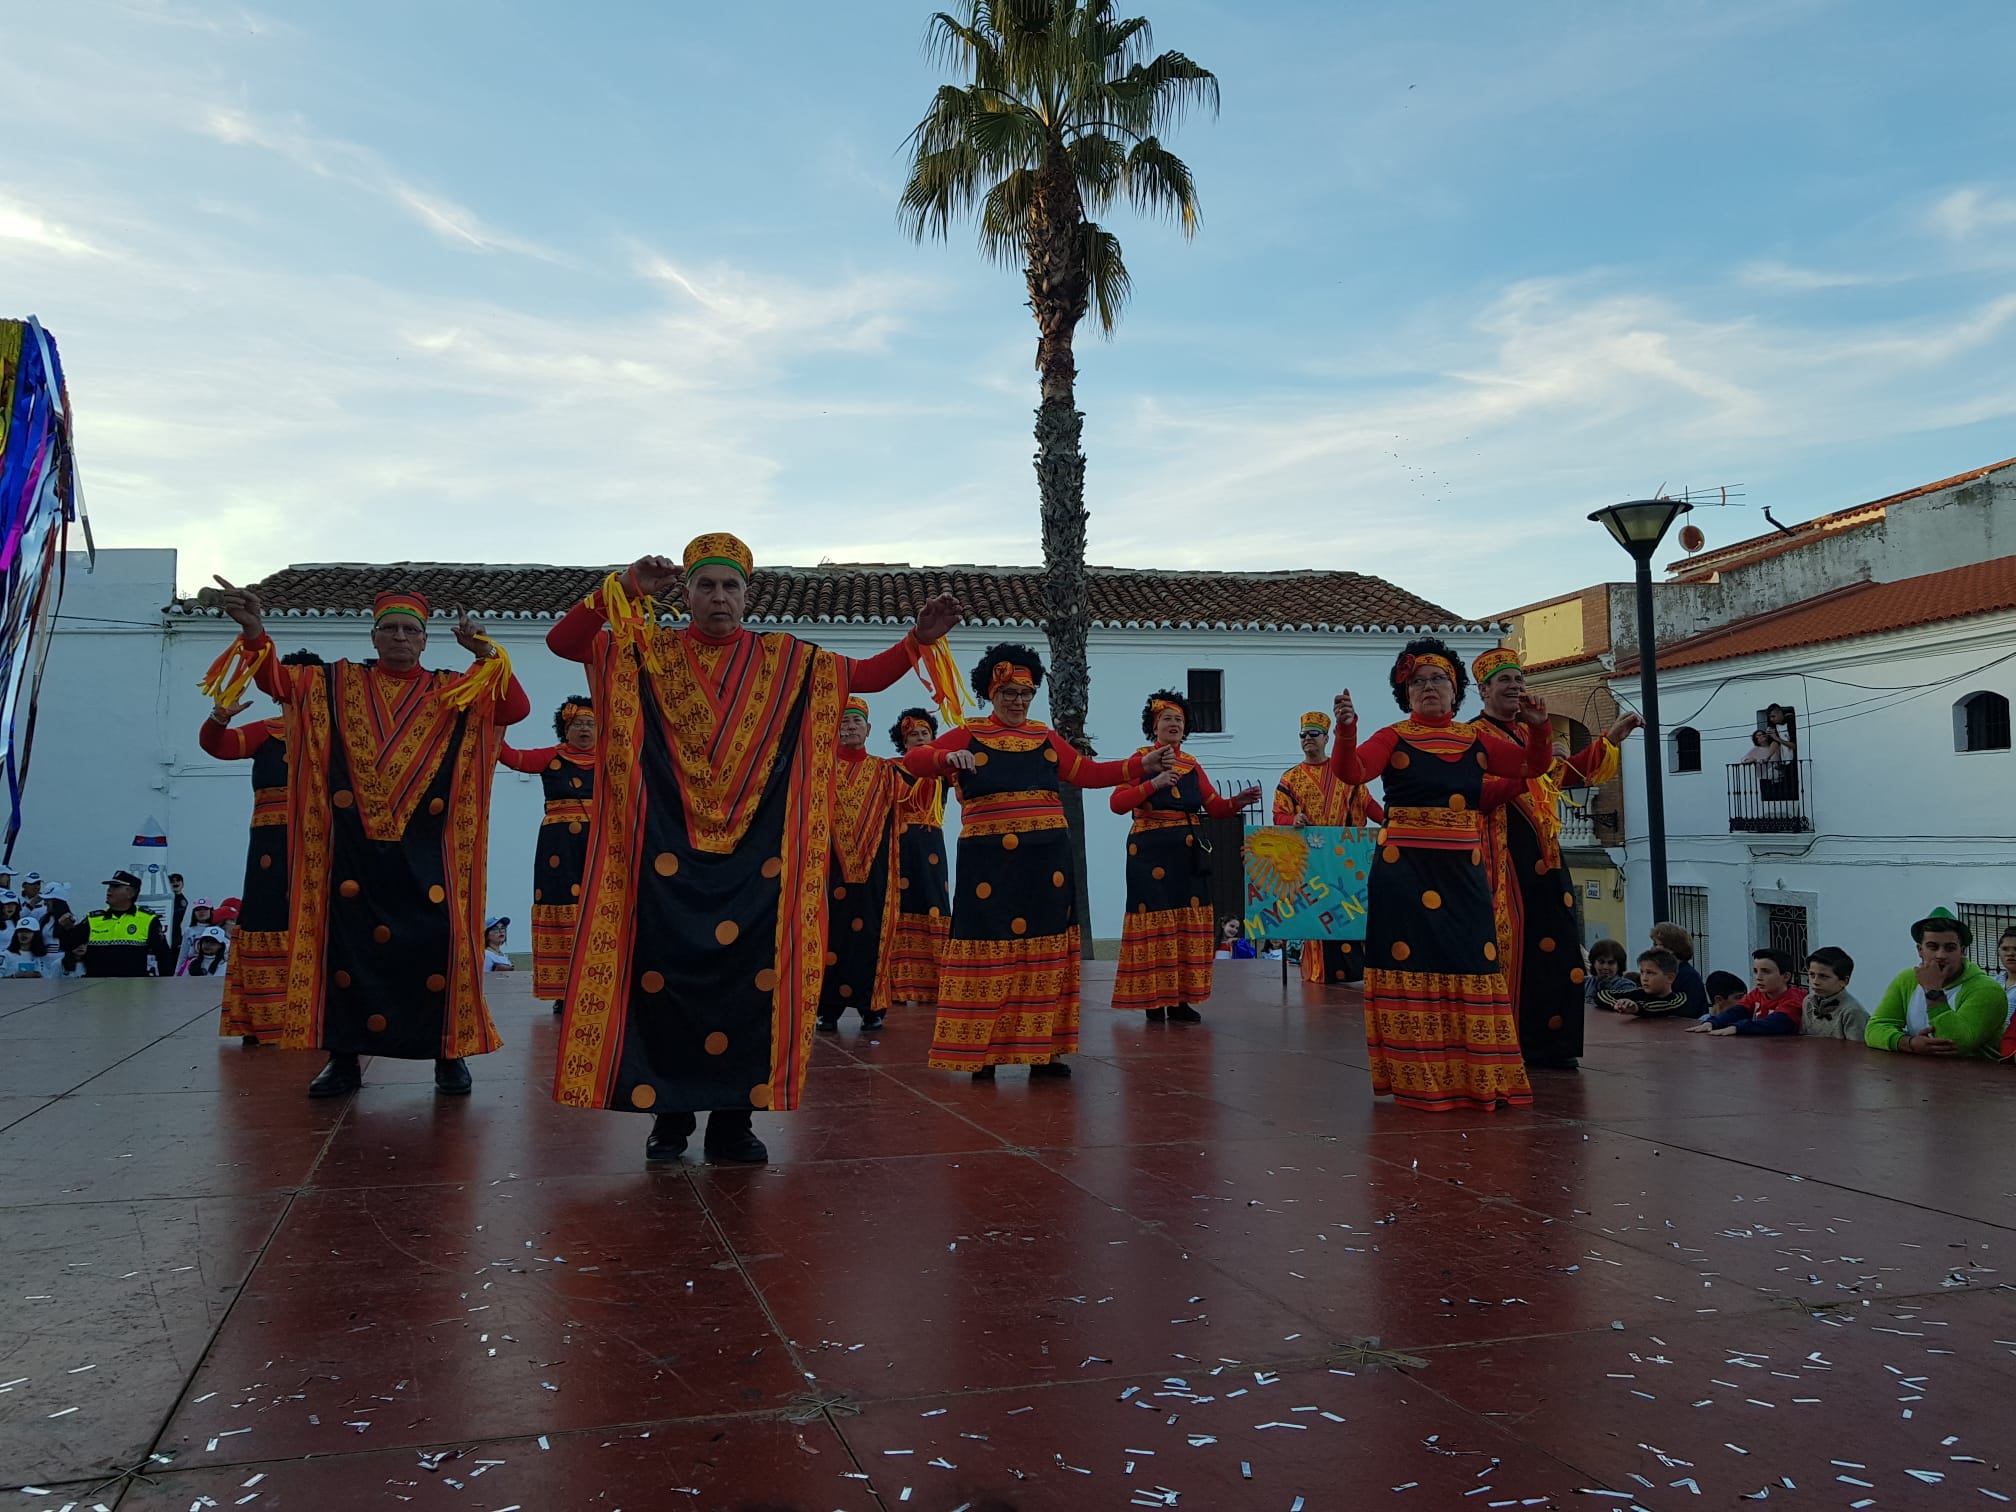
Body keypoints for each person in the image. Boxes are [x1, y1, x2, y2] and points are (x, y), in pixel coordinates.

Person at [546, 535, 962, 1163]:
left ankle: (734, 1124)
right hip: (663, 852)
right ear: (685, 594)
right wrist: (626, 587)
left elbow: (865, 677)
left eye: (731, 586)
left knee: (751, 987)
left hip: (760, 859)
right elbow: (566, 643)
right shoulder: (645, 651)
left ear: (747, 595)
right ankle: (670, 1118)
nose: (719, 597)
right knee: (666, 982)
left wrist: (918, 641)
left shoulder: (789, 660)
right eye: (706, 585)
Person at [212, 577, 530, 1098]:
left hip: (431, 848)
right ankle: (342, 1060)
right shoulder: (335, 682)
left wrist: (488, 653)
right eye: (390, 629)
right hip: (351, 848)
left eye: (410, 630)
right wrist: (253, 630)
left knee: (441, 945)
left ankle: (449, 1054)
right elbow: (277, 683)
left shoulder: (455, 686)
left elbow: (514, 710)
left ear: (425, 640)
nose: (401, 638)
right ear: (374, 637)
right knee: (347, 951)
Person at [903, 642, 1168, 1080]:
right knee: (988, 951)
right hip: (988, 866)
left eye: (1025, 693)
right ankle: (982, 1052)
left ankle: (1044, 1051)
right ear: (991, 693)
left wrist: (1141, 764)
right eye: (1008, 693)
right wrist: (944, 757)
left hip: (1047, 865)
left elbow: (1089, 773)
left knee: (1044, 952)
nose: (1018, 701)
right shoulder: (967, 734)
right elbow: (915, 761)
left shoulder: (1045, 738)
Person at [1329, 637, 1553, 1112]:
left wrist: (1539, 729)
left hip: (1462, 870)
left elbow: (1535, 765)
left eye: (1439, 680)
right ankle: (1420, 1078)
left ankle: (1475, 1077)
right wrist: (1346, 732)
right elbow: (1352, 773)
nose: (1429, 687)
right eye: (1418, 681)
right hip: (1402, 872)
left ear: (1456, 693)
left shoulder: (1476, 741)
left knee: (1472, 959)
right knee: (1409, 964)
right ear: (1406, 694)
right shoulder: (1392, 737)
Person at [1472, 648, 1642, 1070]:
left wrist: (1611, 739)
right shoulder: (1471, 737)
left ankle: (1551, 1043)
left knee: (1558, 948)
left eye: (1519, 680)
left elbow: (1561, 777)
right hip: (1502, 854)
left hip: (1546, 856)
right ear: (1484, 690)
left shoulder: (1533, 733)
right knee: (1510, 944)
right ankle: (1506, 1039)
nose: (1515, 687)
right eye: (1504, 681)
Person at [1109, 689, 1261, 1025]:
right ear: (1154, 725)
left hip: (1187, 851)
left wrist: (1239, 801)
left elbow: (1216, 808)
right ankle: (1153, 1000)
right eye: (1167, 719)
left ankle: (1180, 1000)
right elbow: (1117, 803)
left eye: (1179, 719)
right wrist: (1154, 783)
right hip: (1149, 852)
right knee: (1156, 923)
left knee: (1185, 925)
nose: (1174, 724)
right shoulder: (1140, 760)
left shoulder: (1193, 766)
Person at [202, 650, 324, 1047]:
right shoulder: (265, 731)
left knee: (324, 922)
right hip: (271, 847)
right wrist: (220, 717)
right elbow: (216, 746)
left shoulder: (339, 733)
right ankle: (266, 1018)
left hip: (324, 841)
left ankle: (320, 1017)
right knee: (269, 918)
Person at [817, 696, 914, 1033]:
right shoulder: (821, 769)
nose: (850, 727)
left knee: (873, 932)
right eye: (843, 722)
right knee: (829, 933)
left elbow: (914, 799)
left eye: (856, 722)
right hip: (830, 869)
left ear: (868, 729)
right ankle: (827, 1008)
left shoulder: (886, 769)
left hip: (877, 869)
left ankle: (871, 1007)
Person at [497, 695, 597, 1012]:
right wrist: (489, 722)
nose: (584, 729)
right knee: (561, 908)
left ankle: (600, 987)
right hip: (559, 850)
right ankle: (562, 990)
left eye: (591, 724)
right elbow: (511, 757)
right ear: (564, 728)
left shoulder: (614, 760)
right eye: (578, 723)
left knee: (599, 911)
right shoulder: (550, 758)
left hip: (600, 845)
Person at [1273, 710, 1384, 986]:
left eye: (1313, 734)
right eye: (1303, 735)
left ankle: (1358, 969)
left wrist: (1390, 821)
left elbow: (1366, 803)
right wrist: (1292, 819)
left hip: (1347, 857)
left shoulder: (1345, 771)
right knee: (1317, 914)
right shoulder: (1290, 778)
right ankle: (1321, 970)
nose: (1307, 739)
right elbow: (1278, 815)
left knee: (1351, 909)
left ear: (1325, 738)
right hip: (1312, 860)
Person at [1865, 907, 2007, 1058]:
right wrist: (1909, 1043)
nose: (1940, 955)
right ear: (1920, 950)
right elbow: (1874, 1028)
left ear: (1962, 951)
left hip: (1980, 1077)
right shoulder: (1906, 979)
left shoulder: (1987, 990)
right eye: (1932, 947)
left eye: (1950, 948)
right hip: (1920, 1074)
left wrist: (1934, 991)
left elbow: (1957, 1043)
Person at [888, 707, 952, 1009]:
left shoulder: (944, 771)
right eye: (914, 734)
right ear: (904, 740)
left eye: (925, 734)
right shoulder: (890, 769)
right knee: (899, 903)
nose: (920, 738)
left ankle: (939, 979)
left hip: (930, 844)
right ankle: (897, 984)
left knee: (934, 901)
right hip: (898, 843)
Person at [76, 869, 175, 977]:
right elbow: (69, 942)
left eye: (115, 887)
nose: (109, 890)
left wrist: (165, 985)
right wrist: (65, 926)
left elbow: (163, 955)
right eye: (109, 886)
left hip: (133, 988)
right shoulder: (93, 918)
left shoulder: (147, 919)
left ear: (130, 893)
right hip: (97, 988)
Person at [1689, 949, 1805, 1035]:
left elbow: (1774, 1024)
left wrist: (1737, 1028)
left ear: (1786, 977)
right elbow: (1737, 1012)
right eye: (1755, 971)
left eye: (1766, 972)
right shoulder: (1756, 994)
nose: (1758, 977)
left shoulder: (1794, 1000)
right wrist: (1712, 1023)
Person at [1596, 948, 1703, 1018]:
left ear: (1670, 978)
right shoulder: (1637, 993)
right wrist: (1617, 1004)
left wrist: (1636, 1008)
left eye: (1650, 973)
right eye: (1642, 972)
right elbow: (1601, 994)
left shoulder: (1680, 999)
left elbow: (1661, 1007)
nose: (1644, 978)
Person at [1799, 946, 1869, 1041]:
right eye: (1812, 975)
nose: (1815, 981)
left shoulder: (1853, 1012)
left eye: (1823, 976)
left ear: (1844, 981)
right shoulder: (1808, 1002)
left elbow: (1857, 1051)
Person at [1583, 938, 1632, 1007]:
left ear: (1619, 965)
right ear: (1593, 962)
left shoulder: (1626, 986)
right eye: (1601, 962)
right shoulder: (1584, 983)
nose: (1605, 967)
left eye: (1611, 963)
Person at [167, 872, 189, 955]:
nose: (175, 883)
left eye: (178, 880)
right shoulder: (167, 899)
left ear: (182, 884)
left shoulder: (182, 901)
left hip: (174, 934)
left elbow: (175, 918)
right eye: (172, 881)